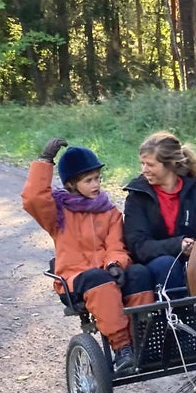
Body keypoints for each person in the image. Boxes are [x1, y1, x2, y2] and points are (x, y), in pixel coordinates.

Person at [22, 138, 155, 376]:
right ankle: (122, 347)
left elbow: (116, 246)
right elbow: (33, 199)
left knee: (139, 273)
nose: (96, 185)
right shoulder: (58, 213)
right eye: (88, 180)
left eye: (98, 179)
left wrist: (115, 264)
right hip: (75, 279)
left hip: (106, 274)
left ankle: (142, 340)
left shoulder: (110, 212)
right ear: (72, 184)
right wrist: (44, 162)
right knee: (98, 279)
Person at [122, 131, 196, 294]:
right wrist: (177, 245)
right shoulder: (137, 197)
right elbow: (138, 246)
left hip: (193, 260)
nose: (144, 170)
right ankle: (179, 317)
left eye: (150, 165)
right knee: (168, 264)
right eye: (142, 163)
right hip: (152, 265)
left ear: (170, 164)